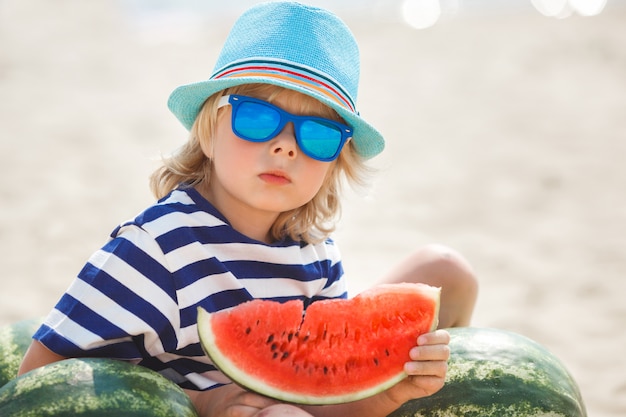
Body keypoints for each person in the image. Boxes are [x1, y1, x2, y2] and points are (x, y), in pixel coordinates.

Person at [19, 2, 478, 416]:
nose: (285, 147)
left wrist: (389, 393)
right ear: (208, 129)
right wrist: (199, 402)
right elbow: (38, 385)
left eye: (316, 134)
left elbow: (320, 397)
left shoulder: (314, 255)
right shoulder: (157, 248)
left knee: (444, 269)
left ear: (336, 160)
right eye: (258, 118)